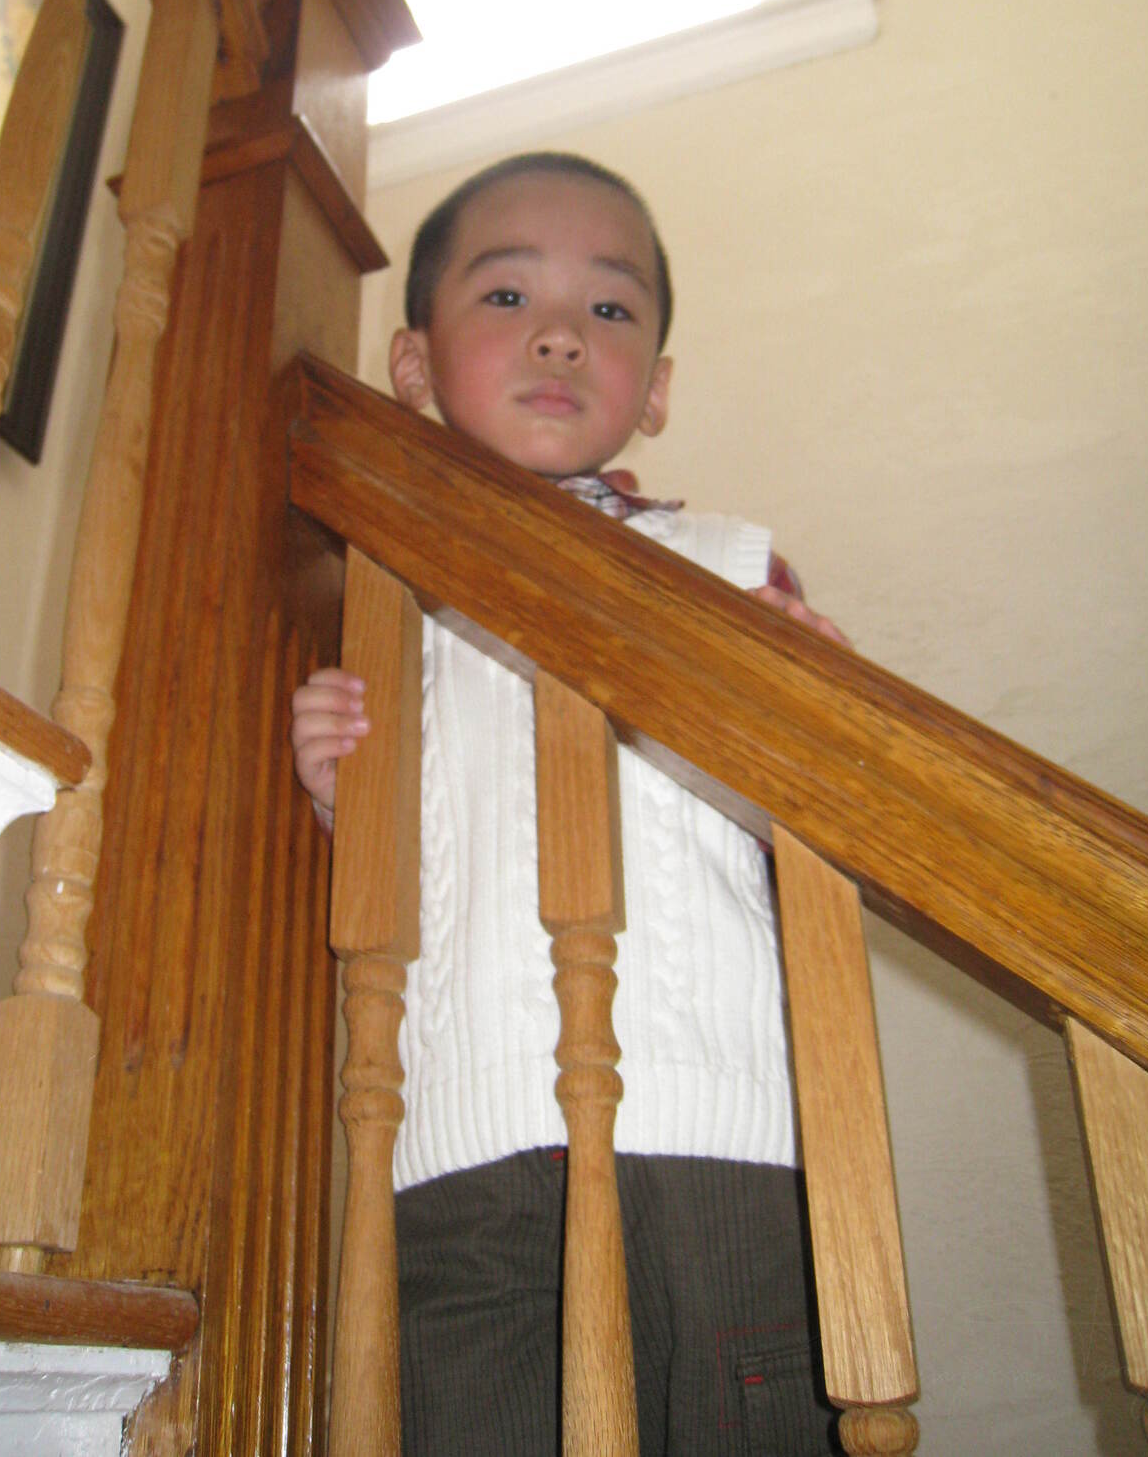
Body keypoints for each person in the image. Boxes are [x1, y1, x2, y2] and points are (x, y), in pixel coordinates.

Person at [292, 152, 848, 1456]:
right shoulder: (375, 590)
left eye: (608, 308)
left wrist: (819, 727)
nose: (558, 332)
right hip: (458, 1150)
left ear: (654, 389)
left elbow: (824, 853)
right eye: (505, 296)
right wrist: (335, 801)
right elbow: (403, 875)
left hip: (722, 1141)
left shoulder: (730, 571)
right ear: (413, 364)